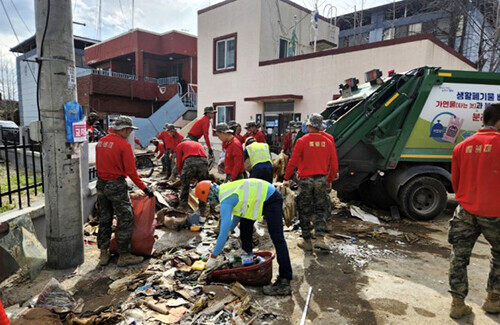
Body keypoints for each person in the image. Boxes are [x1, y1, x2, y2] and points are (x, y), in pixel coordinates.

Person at [195, 179, 293, 296]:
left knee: (277, 237)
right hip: (258, 199)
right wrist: (230, 230)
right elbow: (238, 214)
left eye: (208, 200)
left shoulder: (225, 199)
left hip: (271, 197)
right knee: (245, 228)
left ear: (209, 195)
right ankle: (249, 265)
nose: (210, 203)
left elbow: (223, 231)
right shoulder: (225, 189)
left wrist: (213, 256)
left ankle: (284, 281)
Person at [448, 103, 500, 319]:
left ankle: (457, 304)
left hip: (465, 211)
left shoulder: (462, 146)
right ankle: (493, 300)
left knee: (458, 256)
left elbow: (456, 184)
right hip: (495, 212)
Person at [96, 116, 154, 267]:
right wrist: (145, 189)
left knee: (105, 217)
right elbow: (131, 172)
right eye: (129, 130)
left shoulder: (101, 142)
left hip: (101, 184)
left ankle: (103, 253)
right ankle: (124, 254)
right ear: (124, 129)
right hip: (116, 185)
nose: (130, 133)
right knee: (126, 218)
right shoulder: (124, 145)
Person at [283, 113, 338, 251]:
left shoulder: (302, 140)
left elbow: (293, 161)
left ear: (309, 126)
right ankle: (320, 238)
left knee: (304, 210)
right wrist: (329, 179)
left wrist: (286, 178)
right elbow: (334, 164)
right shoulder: (329, 141)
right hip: (321, 179)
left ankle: (307, 241)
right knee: (321, 208)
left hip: (305, 180)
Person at [176, 139, 210, 215]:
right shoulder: (198, 144)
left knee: (185, 185)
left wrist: (181, 174)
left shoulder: (180, 145)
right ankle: (203, 208)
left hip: (190, 161)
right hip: (203, 161)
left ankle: (183, 205)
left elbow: (178, 161)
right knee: (203, 185)